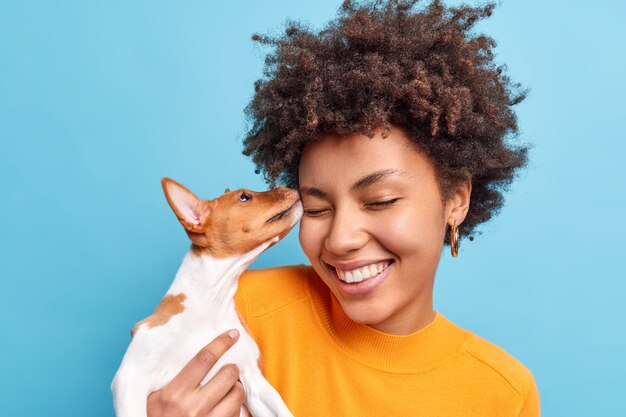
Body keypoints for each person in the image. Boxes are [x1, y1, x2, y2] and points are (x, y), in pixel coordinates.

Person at [147, 1, 540, 416]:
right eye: (316, 208)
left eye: (380, 201)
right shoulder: (234, 311)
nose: (340, 239)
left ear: (456, 201)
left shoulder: (502, 393)